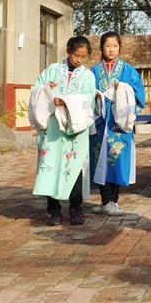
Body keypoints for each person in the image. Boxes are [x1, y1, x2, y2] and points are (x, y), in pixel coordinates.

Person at [30, 36, 96, 226]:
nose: (79, 60)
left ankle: (76, 208)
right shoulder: (52, 70)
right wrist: (46, 91)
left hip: (75, 129)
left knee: (74, 168)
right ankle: (54, 209)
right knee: (51, 166)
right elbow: (36, 91)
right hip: (53, 129)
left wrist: (66, 102)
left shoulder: (88, 76)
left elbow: (88, 99)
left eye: (83, 57)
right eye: (77, 55)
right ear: (68, 50)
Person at [89, 31, 146, 216]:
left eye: (115, 46)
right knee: (99, 160)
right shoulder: (94, 71)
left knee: (117, 160)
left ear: (120, 48)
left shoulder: (128, 70)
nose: (111, 49)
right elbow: (87, 93)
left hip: (118, 124)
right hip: (100, 121)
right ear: (101, 48)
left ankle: (113, 200)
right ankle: (106, 200)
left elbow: (138, 93)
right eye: (107, 46)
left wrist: (122, 90)